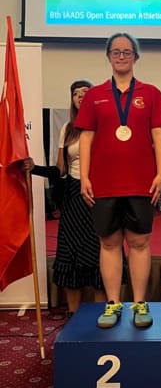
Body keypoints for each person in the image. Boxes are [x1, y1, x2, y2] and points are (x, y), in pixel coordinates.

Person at [76, 33, 161, 329]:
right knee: (109, 243)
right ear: (108, 56)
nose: (121, 56)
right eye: (116, 52)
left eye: (127, 52)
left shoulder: (151, 93)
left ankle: (140, 302)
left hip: (141, 182)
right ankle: (113, 303)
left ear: (136, 57)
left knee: (139, 242)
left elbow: (159, 135)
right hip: (104, 182)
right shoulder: (94, 95)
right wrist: (84, 176)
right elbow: (86, 137)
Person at [24, 80, 106, 316]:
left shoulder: (103, 125)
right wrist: (34, 168)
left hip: (99, 194)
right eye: (75, 93)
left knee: (100, 252)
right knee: (70, 252)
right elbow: (60, 170)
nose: (80, 96)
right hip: (73, 196)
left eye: (85, 92)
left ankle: (104, 314)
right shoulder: (68, 128)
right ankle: (73, 315)